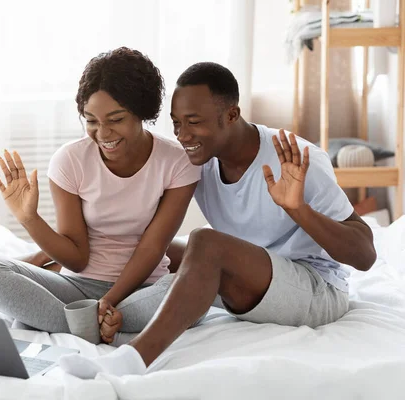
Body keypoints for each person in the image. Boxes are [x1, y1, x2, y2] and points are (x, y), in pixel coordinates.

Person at [59, 61, 377, 378]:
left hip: (316, 290)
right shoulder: (199, 162)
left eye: (194, 122)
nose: (183, 136)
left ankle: (132, 359)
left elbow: (365, 256)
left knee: (205, 242)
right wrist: (41, 256)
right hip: (255, 278)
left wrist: (298, 210)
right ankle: (108, 314)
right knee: (155, 248)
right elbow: (138, 236)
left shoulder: (292, 158)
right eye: (176, 123)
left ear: (231, 115)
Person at [0, 47, 202, 344]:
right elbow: (76, 258)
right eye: (91, 121)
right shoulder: (70, 160)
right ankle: (90, 325)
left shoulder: (177, 162)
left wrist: (110, 302)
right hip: (77, 288)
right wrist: (29, 218)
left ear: (142, 111)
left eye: (115, 119)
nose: (103, 133)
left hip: (144, 290)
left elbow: (152, 248)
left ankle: (73, 322)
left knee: (196, 289)